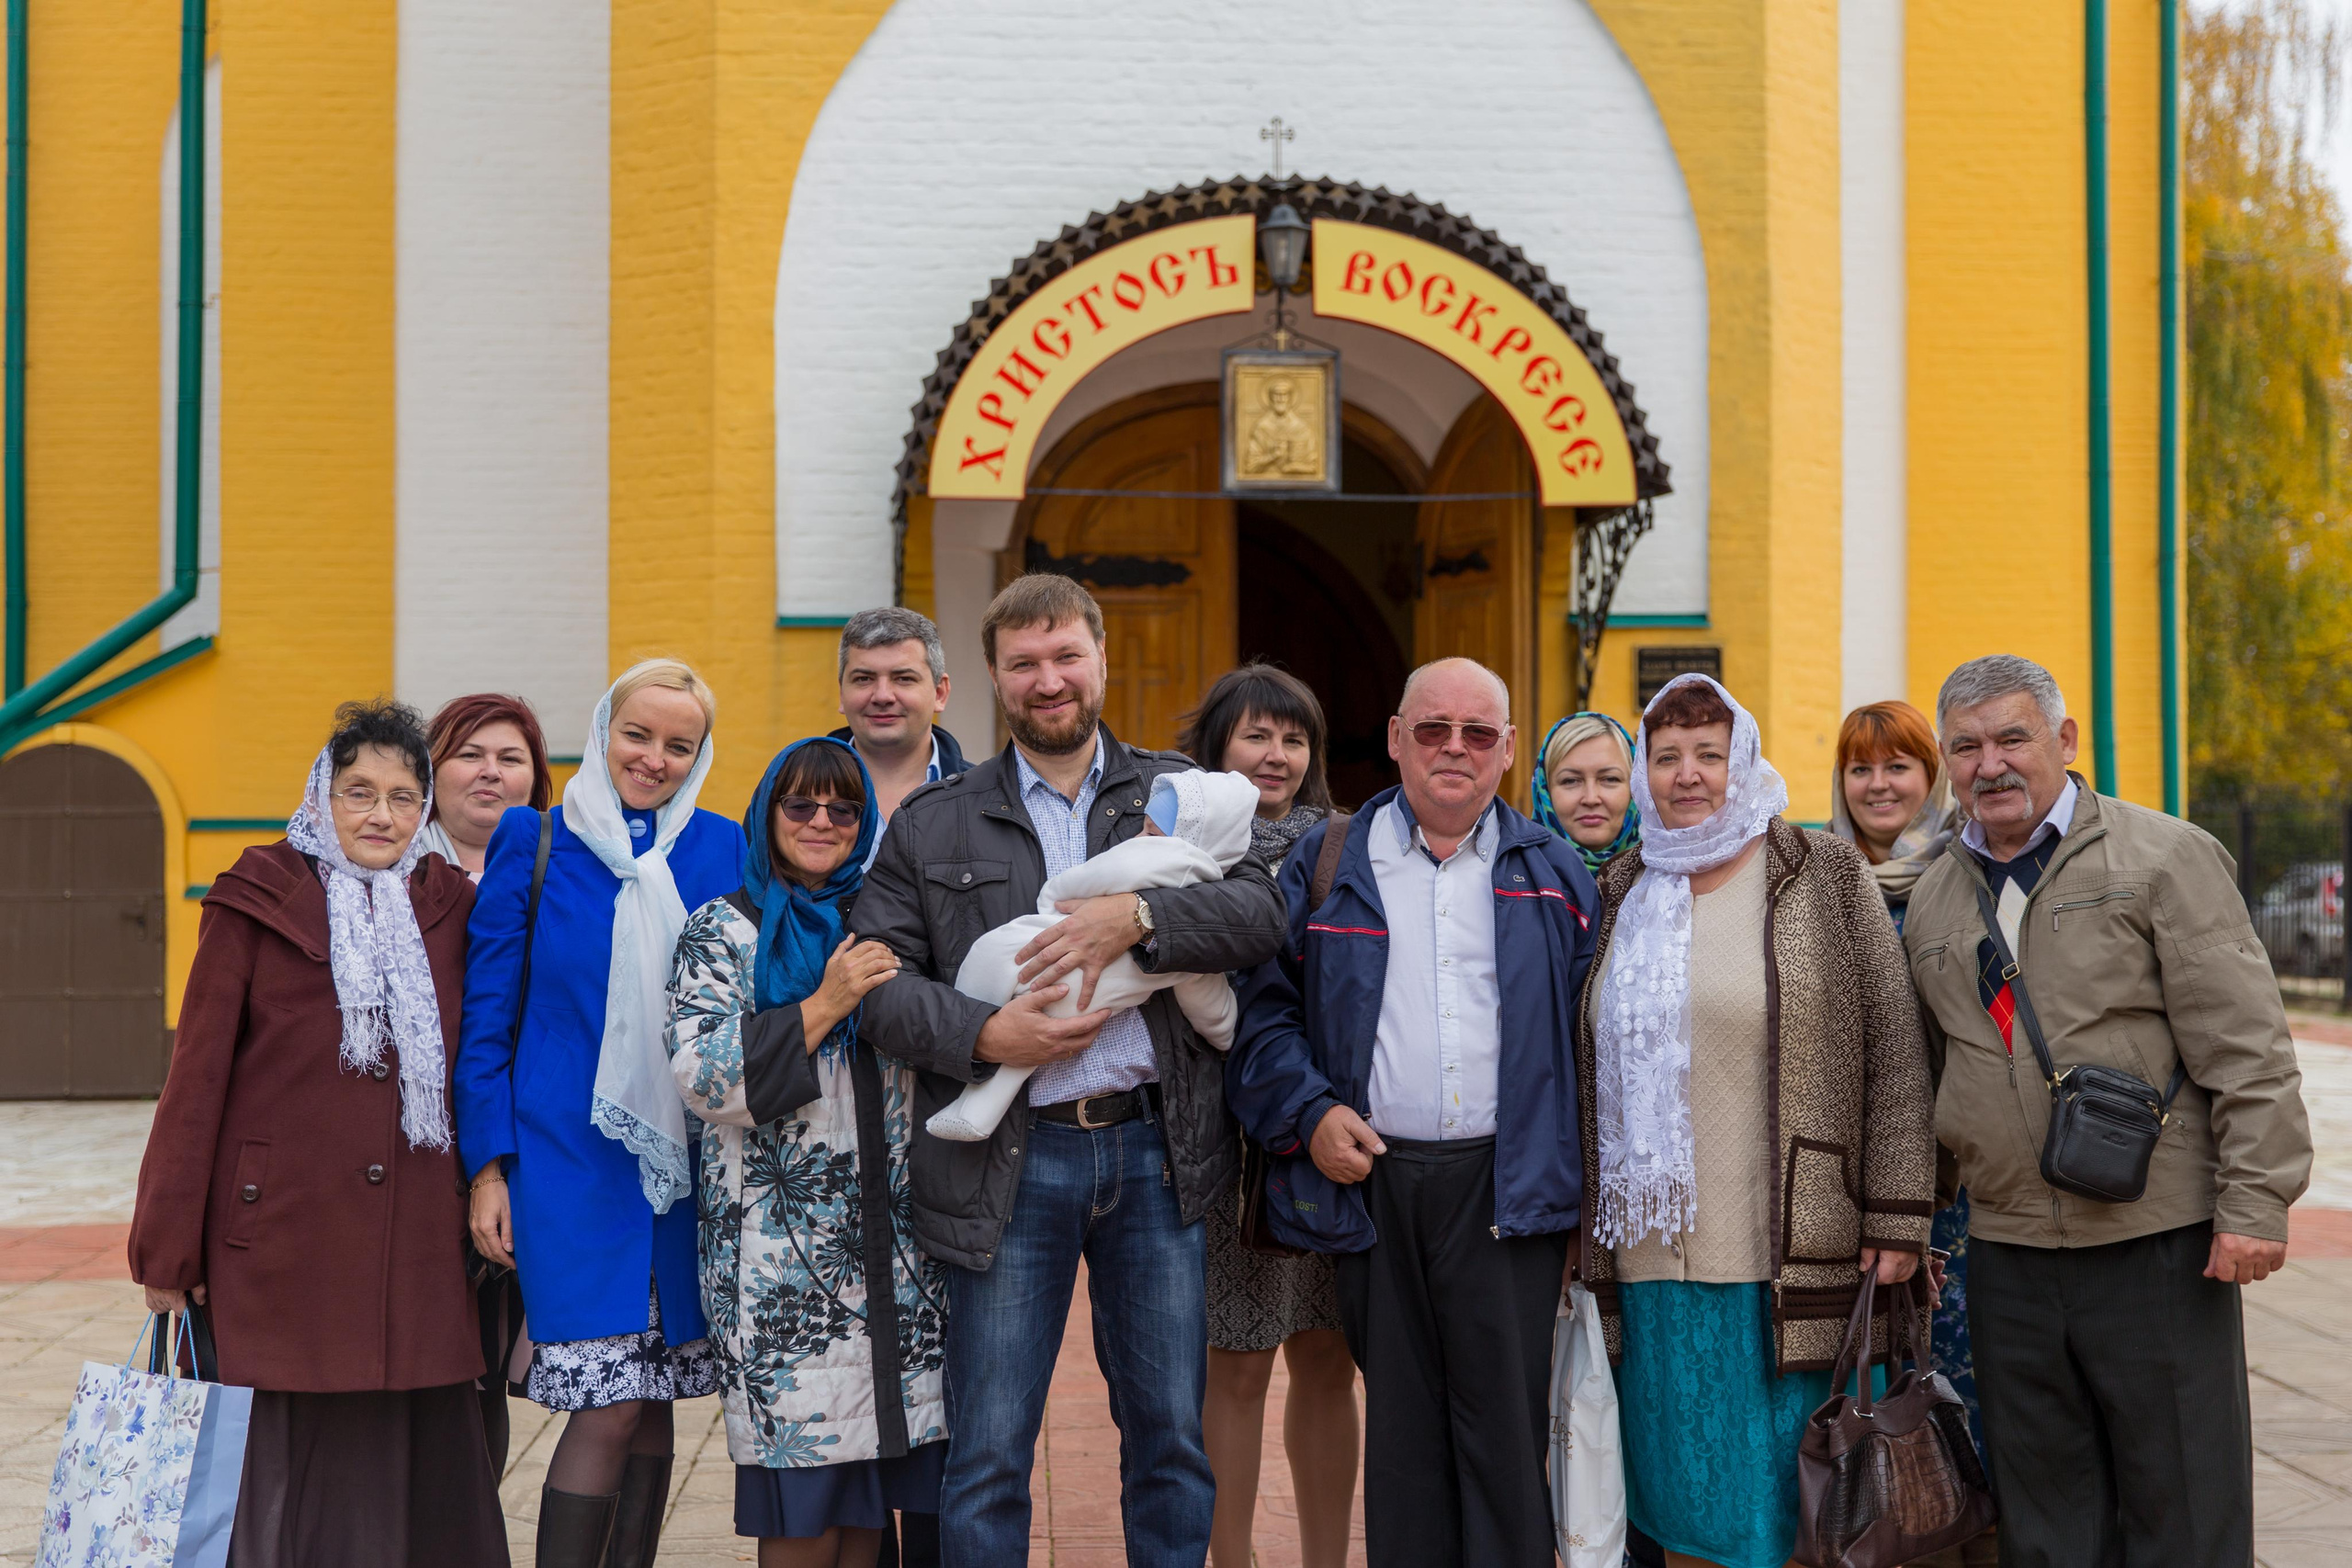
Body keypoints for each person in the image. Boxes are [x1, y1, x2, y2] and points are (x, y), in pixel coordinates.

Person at [854, 573, 1288, 1567]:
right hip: (1012, 1159)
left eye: (1064, 658)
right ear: (993, 681)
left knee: (1170, 1443)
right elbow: (878, 985)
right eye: (1024, 665)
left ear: (1098, 657)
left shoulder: (1175, 791)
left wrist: (1139, 916)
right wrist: (982, 1035)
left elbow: (1261, 915)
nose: (1047, 681)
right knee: (993, 1450)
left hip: (1153, 1148)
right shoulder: (933, 821)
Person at [1904, 654, 2313, 1568]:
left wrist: (2254, 1203)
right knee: (2043, 1521)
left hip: (2154, 1241)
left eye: (2012, 737)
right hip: (2007, 1252)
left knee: (2182, 1508)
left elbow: (2244, 1042)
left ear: (2064, 740)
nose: (1989, 764)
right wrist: (1912, 1221)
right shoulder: (1933, 894)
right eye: (1965, 746)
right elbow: (1930, 1076)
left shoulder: (2160, 856)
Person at [1229, 657, 1597, 1568]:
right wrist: (1308, 1113)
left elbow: (1597, 1047)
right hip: (1374, 1183)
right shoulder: (1325, 864)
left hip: (1506, 1189)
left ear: (1509, 752)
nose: (1454, 749)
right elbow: (1262, 1017)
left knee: (1506, 1440)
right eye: (1432, 729)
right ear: (1395, 739)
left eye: (1478, 734)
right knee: (1400, 1436)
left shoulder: (1553, 873)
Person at [129, 699, 508, 1567]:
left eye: (404, 796)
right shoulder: (257, 895)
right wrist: (164, 1250)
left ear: (426, 811)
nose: (382, 815)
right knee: (279, 1472)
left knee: (409, 1460)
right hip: (276, 1239)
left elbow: (487, 1052)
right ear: (319, 796)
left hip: (414, 1243)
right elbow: (195, 1083)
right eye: (358, 791)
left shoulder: (451, 907)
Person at [1575, 672, 1936, 1568]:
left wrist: (1896, 1216)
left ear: (1743, 757)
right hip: (1652, 1263)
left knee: (1797, 1510)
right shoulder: (1621, 886)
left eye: (1708, 752)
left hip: (1792, 1254)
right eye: (1666, 756)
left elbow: (1892, 1050)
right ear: (1643, 770)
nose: (1687, 774)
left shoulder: (1821, 873)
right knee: (1677, 1501)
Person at [455, 658, 747, 1568]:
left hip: (690, 1173)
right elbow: (486, 1017)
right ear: (602, 730)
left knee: (651, 1396)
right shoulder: (533, 842)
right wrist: (487, 1167)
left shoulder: (726, 848)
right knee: (607, 1401)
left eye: (678, 745)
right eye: (637, 735)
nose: (653, 758)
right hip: (567, 1171)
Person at [666, 737, 946, 1568]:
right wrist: (825, 1002)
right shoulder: (718, 930)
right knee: (801, 1509)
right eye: (801, 805)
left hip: (896, 1257)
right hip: (778, 1265)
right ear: (768, 814)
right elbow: (705, 1077)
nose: (822, 821)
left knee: (868, 1503)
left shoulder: (887, 922)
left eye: (843, 808)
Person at [1174, 663, 1357, 1568]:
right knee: (1236, 1361)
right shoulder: (1177, 845)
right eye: (1256, 734)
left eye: (1293, 738)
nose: (1276, 753)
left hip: (1327, 1131)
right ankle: (1232, 1559)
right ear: (1215, 745)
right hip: (1223, 1143)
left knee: (1327, 1356)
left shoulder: (1350, 844)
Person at [926, 766, 1260, 1140]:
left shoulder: (1154, 856)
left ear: (1182, 836)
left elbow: (1088, 879)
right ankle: (978, 1113)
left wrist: (1053, 899)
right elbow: (1205, 995)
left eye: (1151, 830)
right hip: (1098, 1001)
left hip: (1052, 955)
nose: (1140, 836)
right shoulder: (1201, 913)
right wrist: (1226, 1034)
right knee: (1028, 1050)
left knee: (991, 957)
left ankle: (976, 1032)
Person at [831, 606, 971, 840]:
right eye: (863, 679)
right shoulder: (788, 796)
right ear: (841, 694)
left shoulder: (986, 800)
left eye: (904, 679)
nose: (883, 696)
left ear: (939, 693)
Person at [1827, 699, 1955, 930]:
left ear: (1934, 775)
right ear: (1841, 781)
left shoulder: (1974, 865)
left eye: (1897, 767)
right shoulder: (1808, 872)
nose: (1878, 784)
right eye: (1861, 769)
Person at [417, 693, 555, 879]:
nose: (491, 772)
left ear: (535, 778)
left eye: (509, 759)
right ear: (432, 769)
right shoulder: (391, 863)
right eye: (470, 755)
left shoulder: (568, 868)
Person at [1532, 709, 1642, 872]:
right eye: (1570, 781)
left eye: (1610, 779)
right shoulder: (1512, 876)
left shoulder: (1669, 877)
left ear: (1634, 789)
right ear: (1545, 791)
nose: (1591, 799)